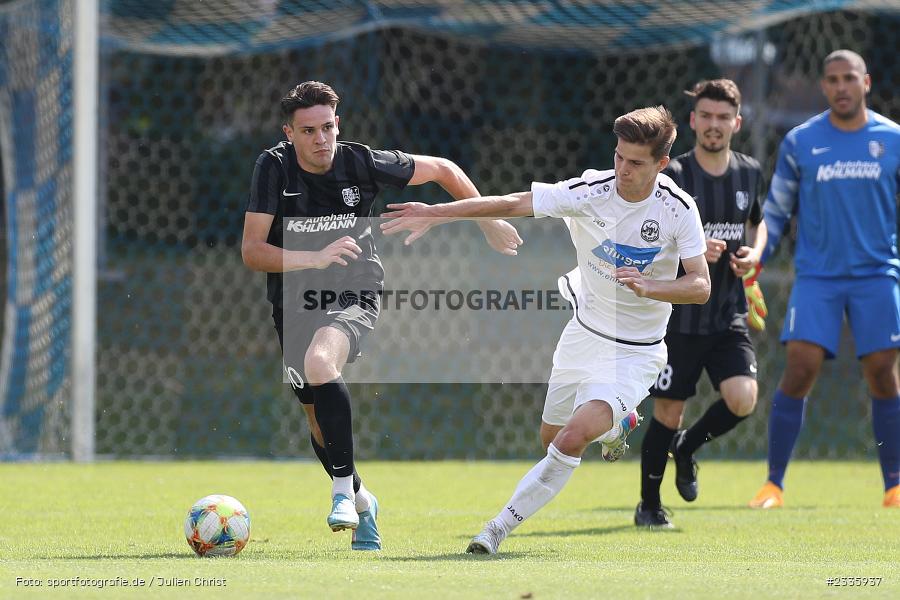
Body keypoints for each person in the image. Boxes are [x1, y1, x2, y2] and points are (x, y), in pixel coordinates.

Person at [381, 106, 710, 554]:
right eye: (618, 157)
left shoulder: (678, 209)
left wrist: (652, 286)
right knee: (552, 438)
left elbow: (700, 286)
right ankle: (619, 426)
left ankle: (494, 530)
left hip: (636, 352)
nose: (622, 170)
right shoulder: (591, 190)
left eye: (635, 163)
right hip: (583, 334)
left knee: (573, 437)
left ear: (661, 164)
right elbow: (514, 203)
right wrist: (439, 212)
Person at [241, 81, 523, 550]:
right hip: (293, 298)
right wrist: (313, 258)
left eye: (328, 127)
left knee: (320, 364)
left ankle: (339, 495)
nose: (321, 139)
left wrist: (488, 221)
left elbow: (444, 170)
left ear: (339, 124)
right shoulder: (272, 168)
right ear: (288, 133)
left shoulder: (361, 161)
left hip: (357, 289)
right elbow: (253, 251)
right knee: (317, 422)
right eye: (308, 130)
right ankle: (363, 498)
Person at [748, 50, 900, 509]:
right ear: (824, 86)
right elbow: (774, 212)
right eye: (832, 79)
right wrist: (754, 259)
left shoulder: (892, 139)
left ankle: (894, 485)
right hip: (818, 277)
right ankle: (773, 484)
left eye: (848, 78)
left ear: (866, 82)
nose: (840, 87)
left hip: (878, 275)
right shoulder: (801, 141)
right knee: (799, 368)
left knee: (883, 374)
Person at [635, 80, 768, 528]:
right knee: (668, 411)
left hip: (727, 313)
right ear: (693, 121)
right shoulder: (673, 176)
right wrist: (690, 251)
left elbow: (757, 224)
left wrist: (755, 252)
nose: (714, 124)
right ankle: (649, 506)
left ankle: (688, 447)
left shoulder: (749, 172)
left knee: (743, 397)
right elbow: (648, 235)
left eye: (723, 117)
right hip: (679, 317)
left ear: (737, 122)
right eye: (706, 116)